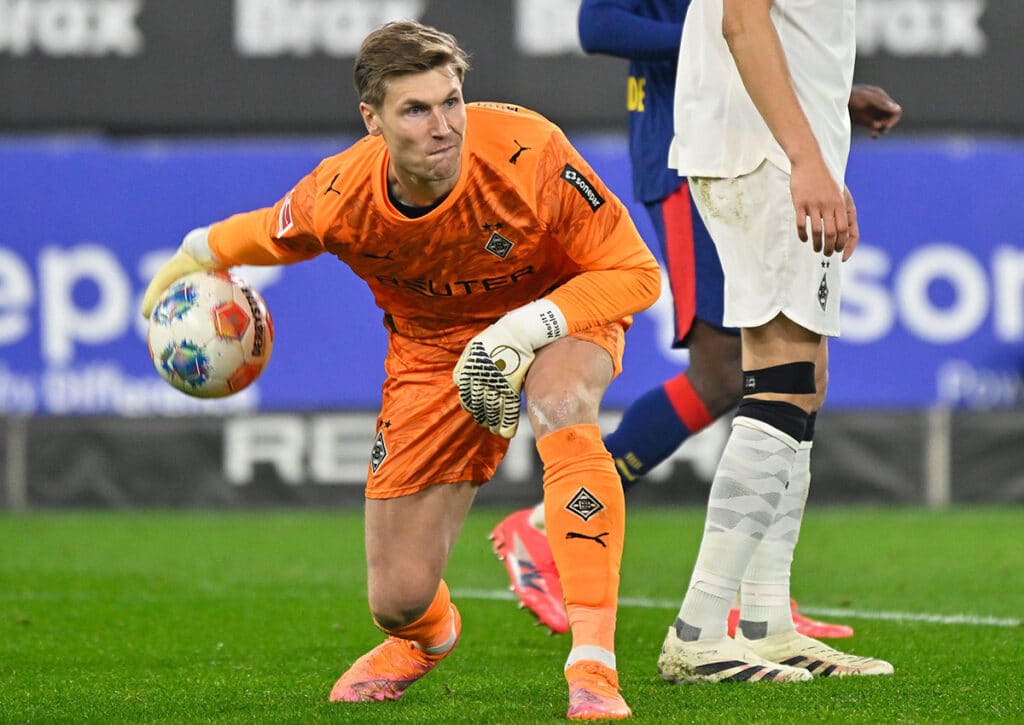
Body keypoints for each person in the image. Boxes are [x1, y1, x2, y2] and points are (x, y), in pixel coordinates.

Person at [139, 20, 660, 720]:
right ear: (373, 119)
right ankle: (427, 638)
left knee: (563, 401)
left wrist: (525, 327)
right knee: (397, 596)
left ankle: (593, 663)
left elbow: (635, 271)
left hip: (556, 310)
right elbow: (272, 231)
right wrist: (195, 252)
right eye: (416, 110)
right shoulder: (342, 193)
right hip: (433, 346)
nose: (443, 126)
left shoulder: (527, 150)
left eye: (452, 101)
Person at [490, 0, 901, 642]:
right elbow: (598, 25)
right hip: (693, 153)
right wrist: (719, 35)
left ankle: (764, 600)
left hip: (749, 136)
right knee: (728, 371)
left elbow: (752, 30)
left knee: (778, 370)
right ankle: (546, 522)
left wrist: (828, 91)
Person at [652, 0, 896, 682]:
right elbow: (741, 21)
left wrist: (830, 115)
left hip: (773, 147)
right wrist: (806, 156)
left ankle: (767, 623)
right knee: (785, 375)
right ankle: (697, 633)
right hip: (763, 155)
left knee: (802, 376)